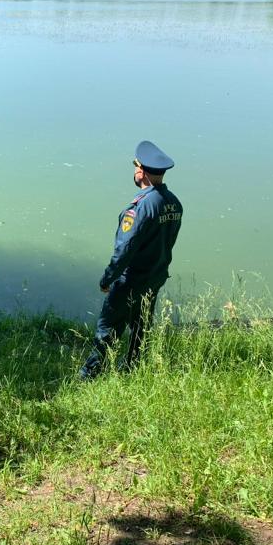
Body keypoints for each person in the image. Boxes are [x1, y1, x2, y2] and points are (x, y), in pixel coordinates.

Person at [79, 141, 183, 380]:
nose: (134, 171)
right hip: (155, 277)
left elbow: (124, 250)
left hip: (131, 280)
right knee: (140, 329)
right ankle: (132, 370)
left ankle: (90, 376)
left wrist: (108, 279)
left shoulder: (140, 207)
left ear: (141, 171)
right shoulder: (174, 203)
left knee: (107, 330)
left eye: (135, 166)